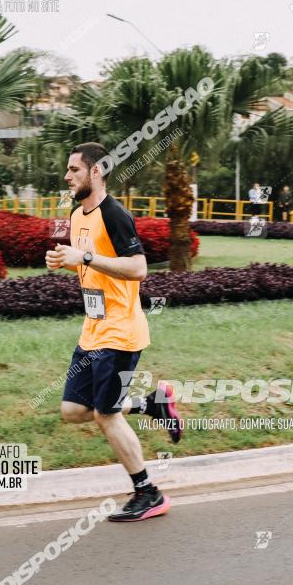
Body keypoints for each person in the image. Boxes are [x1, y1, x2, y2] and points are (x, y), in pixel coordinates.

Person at [45, 142, 182, 522]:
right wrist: (67, 261)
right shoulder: (77, 215)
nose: (67, 176)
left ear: (96, 172)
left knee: (106, 415)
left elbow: (138, 269)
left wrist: (84, 256)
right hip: (92, 330)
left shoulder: (115, 214)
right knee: (73, 410)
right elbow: (91, 267)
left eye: (74, 169)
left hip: (121, 332)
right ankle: (150, 404)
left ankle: (148, 492)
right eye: (68, 170)